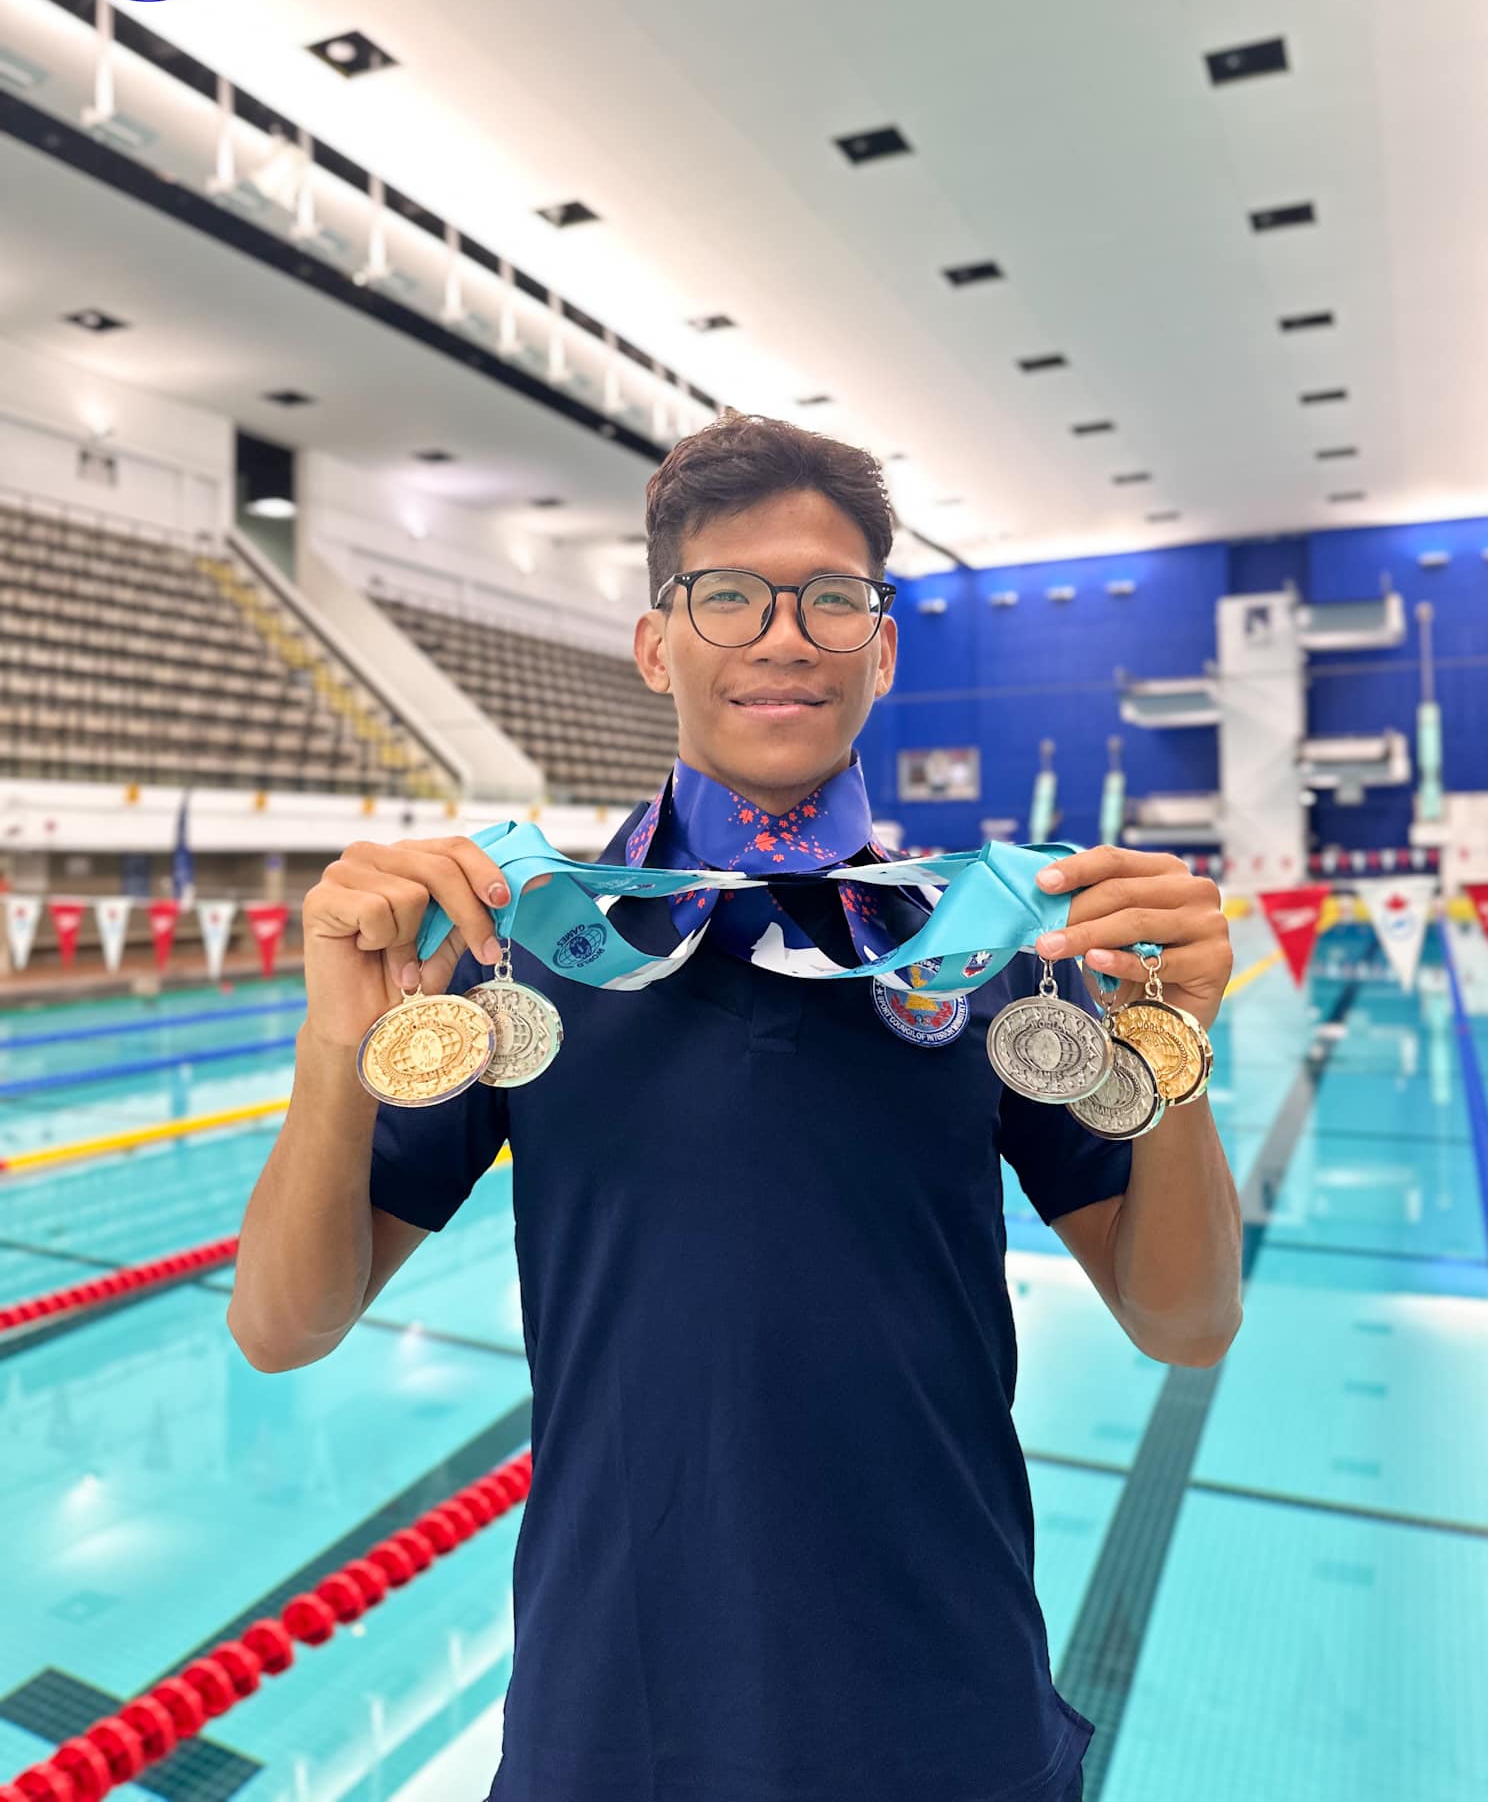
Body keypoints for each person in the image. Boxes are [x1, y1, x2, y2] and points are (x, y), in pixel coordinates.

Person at [228, 414, 1241, 1802]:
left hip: (946, 1706)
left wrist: (1173, 1047)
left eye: (833, 599)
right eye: (729, 597)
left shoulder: (990, 946)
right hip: (616, 1710)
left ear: (882, 649)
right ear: (658, 644)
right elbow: (283, 1328)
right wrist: (334, 1040)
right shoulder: (530, 947)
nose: (785, 637)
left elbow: (1185, 1323)